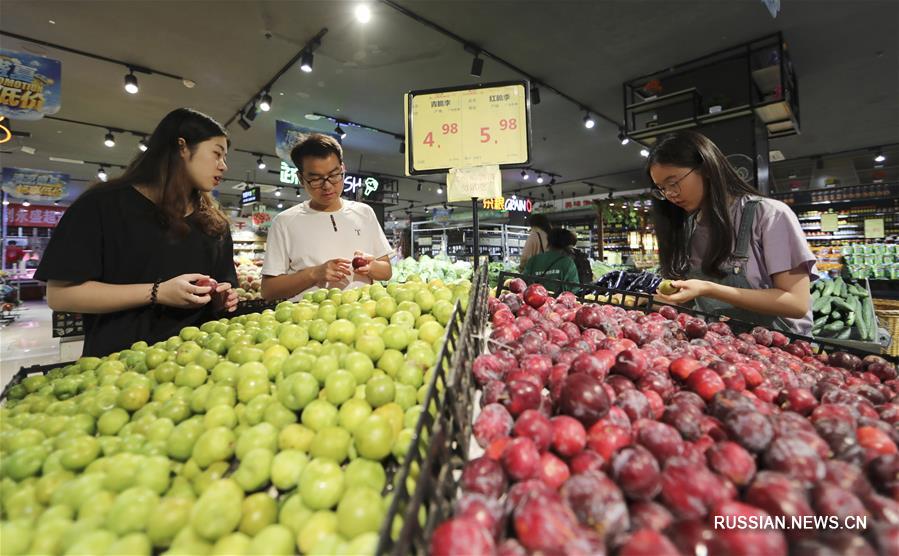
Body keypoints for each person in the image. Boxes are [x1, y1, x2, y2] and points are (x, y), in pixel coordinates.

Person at [35, 108, 239, 357]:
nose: (223, 166)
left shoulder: (214, 223)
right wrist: (157, 292)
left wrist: (222, 297)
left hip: (198, 362)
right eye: (217, 154)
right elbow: (60, 295)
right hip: (118, 364)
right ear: (182, 147)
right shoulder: (102, 205)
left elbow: (223, 287)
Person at [649, 130, 816, 334]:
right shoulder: (688, 227)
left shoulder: (769, 215)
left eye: (673, 182)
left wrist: (709, 289)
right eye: (661, 188)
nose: (670, 194)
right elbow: (696, 305)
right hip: (722, 345)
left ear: (706, 168)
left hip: (781, 346)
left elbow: (796, 303)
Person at [261, 134, 393, 300]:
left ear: (343, 168)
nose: (328, 185)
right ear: (301, 178)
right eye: (316, 179)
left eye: (334, 175)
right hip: (309, 315)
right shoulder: (284, 222)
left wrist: (371, 266)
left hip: (363, 313)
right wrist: (314, 273)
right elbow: (268, 291)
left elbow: (386, 271)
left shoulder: (364, 213)